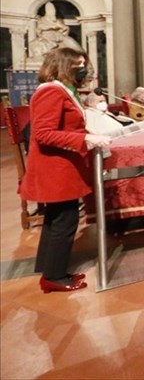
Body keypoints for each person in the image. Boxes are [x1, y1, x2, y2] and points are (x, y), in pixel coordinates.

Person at [19, 48, 111, 293]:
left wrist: (87, 135)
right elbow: (44, 133)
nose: (83, 68)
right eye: (77, 64)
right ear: (62, 65)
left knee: (56, 219)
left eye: (84, 63)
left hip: (62, 165)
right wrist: (85, 141)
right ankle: (55, 277)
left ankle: (48, 267)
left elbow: (67, 126)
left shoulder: (63, 91)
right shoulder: (52, 91)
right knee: (65, 221)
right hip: (56, 167)